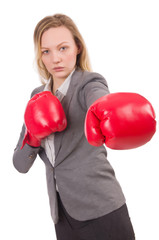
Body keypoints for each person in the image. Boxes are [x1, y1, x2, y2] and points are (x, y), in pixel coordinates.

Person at [13, 13, 147, 240]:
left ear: (77, 47)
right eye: (46, 51)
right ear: (41, 56)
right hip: (62, 215)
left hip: (101, 208)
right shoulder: (37, 96)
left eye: (63, 48)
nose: (55, 58)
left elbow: (100, 101)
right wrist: (33, 137)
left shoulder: (89, 83)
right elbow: (19, 164)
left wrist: (107, 112)